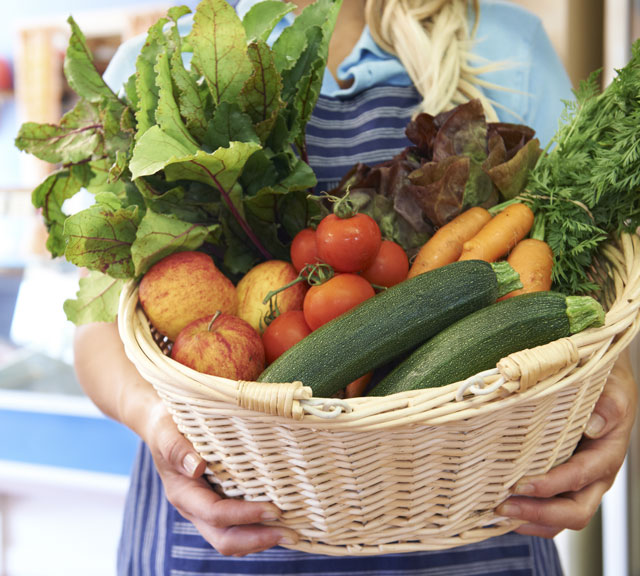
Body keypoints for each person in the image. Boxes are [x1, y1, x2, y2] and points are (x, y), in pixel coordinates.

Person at [74, 0, 639, 574]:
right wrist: (159, 427)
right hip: (224, 523)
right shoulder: (165, 60)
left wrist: (613, 388)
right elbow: (96, 328)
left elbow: (593, 274)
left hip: (475, 521)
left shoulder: (507, 48)